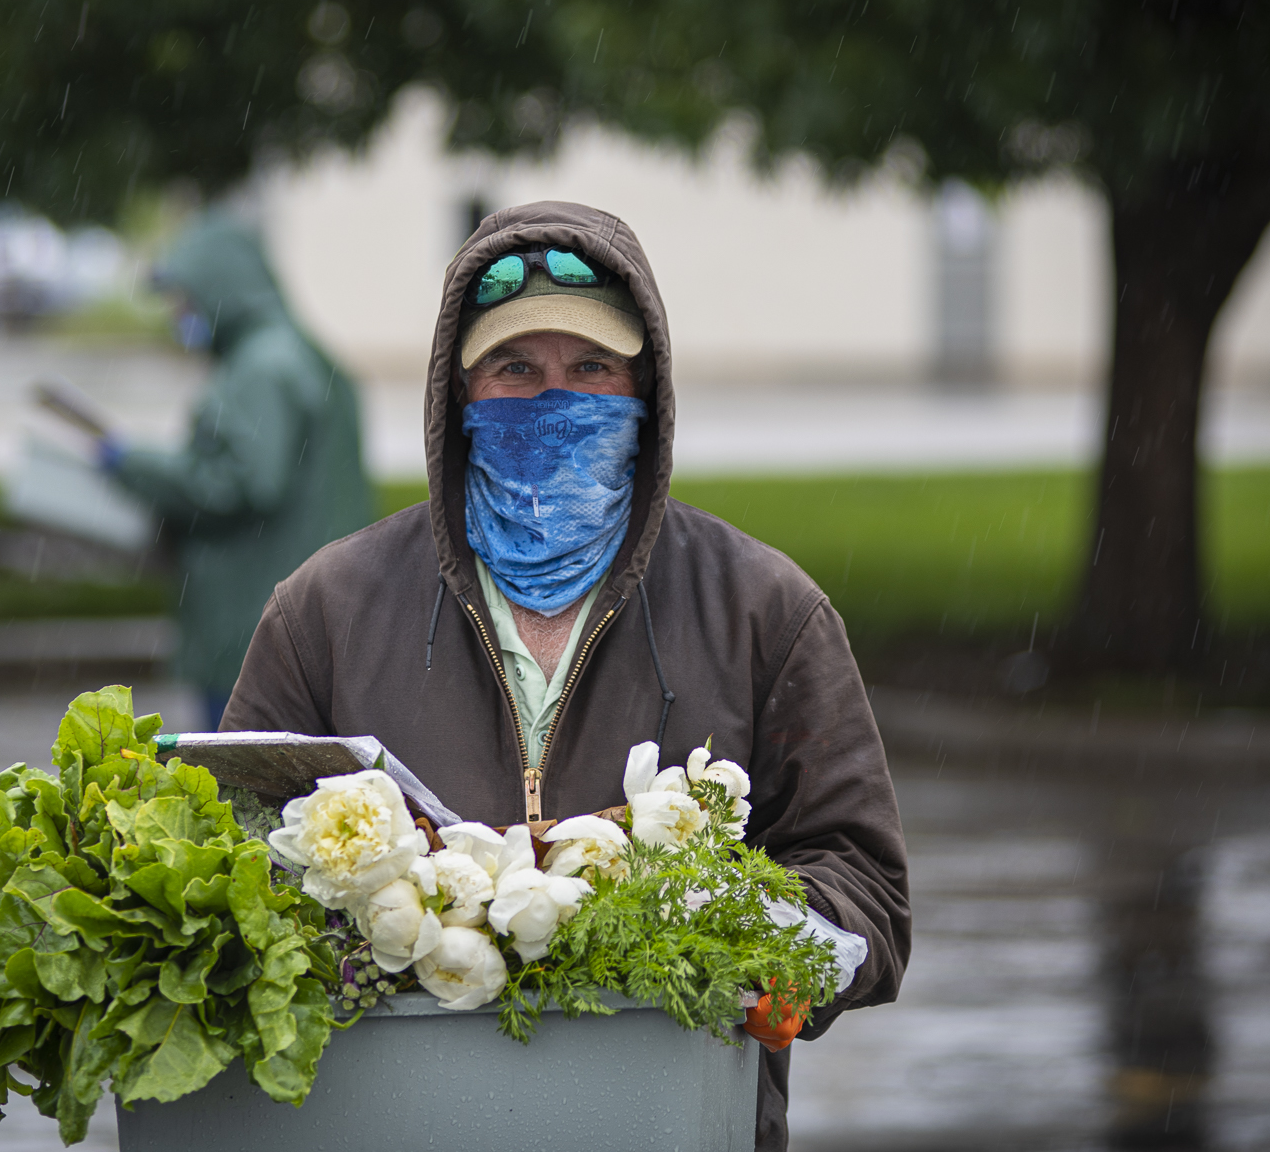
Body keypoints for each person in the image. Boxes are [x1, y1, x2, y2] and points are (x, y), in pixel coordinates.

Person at [221, 201, 910, 1149]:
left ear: (645, 391)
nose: (553, 397)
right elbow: (229, 861)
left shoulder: (763, 611)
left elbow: (865, 881)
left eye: (592, 368)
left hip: (668, 1117)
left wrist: (759, 940)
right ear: (459, 395)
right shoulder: (327, 610)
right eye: (514, 368)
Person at [99, 215, 372, 727]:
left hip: (253, 628)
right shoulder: (294, 350)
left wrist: (132, 464)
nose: (179, 315)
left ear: (220, 290)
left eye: (185, 300)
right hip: (304, 619)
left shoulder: (261, 368)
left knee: (241, 795)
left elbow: (244, 483)